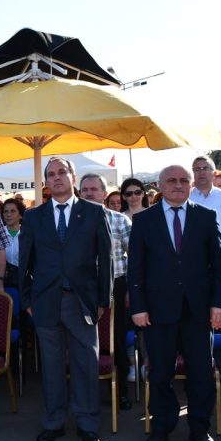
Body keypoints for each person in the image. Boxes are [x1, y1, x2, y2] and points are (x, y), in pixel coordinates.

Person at [129, 165, 221, 441]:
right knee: (160, 373)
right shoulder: (144, 220)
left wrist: (219, 304)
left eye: (183, 180)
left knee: (201, 373)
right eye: (171, 180)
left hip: (198, 312)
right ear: (159, 185)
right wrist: (138, 306)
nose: (178, 185)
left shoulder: (206, 217)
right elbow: (136, 268)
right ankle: (161, 426)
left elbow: (220, 266)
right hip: (158, 312)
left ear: (191, 184)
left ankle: (199, 428)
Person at [19, 157, 113, 441]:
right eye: (51, 174)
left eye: (62, 172)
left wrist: (102, 300)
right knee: (51, 365)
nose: (57, 177)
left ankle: (87, 424)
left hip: (83, 302)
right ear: (46, 182)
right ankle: (53, 422)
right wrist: (27, 300)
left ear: (73, 177)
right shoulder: (34, 217)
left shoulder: (95, 212)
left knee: (86, 364)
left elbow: (105, 260)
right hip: (45, 302)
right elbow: (26, 261)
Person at [79, 173, 133, 409]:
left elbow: (135, 256)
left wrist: (132, 289)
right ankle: (85, 393)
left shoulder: (120, 220)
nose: (89, 193)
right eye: (85, 190)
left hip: (116, 286)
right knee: (82, 341)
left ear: (104, 193)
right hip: (82, 288)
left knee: (116, 341)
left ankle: (121, 391)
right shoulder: (72, 221)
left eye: (94, 189)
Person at [189, 156, 221, 264]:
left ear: (214, 173)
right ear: (193, 173)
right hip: (193, 259)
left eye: (205, 168)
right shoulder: (186, 198)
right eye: (197, 169)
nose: (201, 172)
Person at [1, 197, 24, 289]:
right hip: (4, 281)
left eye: (13, 211)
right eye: (5, 211)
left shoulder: (27, 233)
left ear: (20, 215)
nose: (8, 214)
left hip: (24, 281)